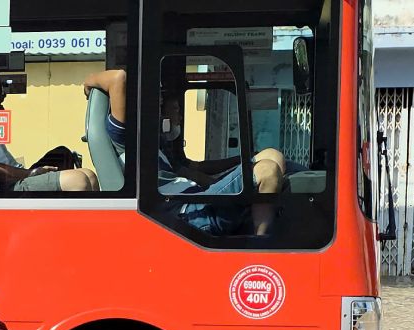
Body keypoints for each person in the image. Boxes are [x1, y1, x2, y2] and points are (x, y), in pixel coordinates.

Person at [83, 69, 286, 235]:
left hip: (199, 197)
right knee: (267, 171)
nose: (160, 109)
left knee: (272, 155)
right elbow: (119, 77)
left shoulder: (155, 144)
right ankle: (261, 243)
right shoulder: (124, 137)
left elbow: (192, 170)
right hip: (189, 212)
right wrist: (89, 83)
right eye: (158, 103)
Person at [0, 46, 97, 193]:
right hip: (3, 188)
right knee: (78, 180)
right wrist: (29, 174)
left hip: (15, 178)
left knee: (88, 175)